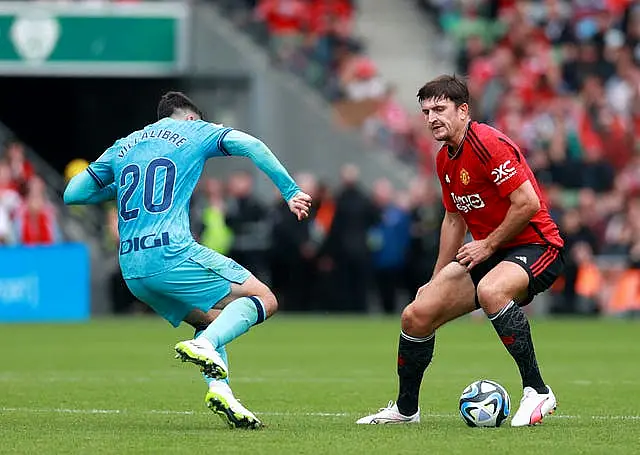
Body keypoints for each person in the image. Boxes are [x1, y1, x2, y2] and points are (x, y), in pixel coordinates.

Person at [64, 91, 312, 429]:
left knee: (209, 318)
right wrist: (290, 191)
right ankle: (206, 345)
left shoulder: (125, 144)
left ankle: (221, 391)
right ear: (191, 117)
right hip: (171, 253)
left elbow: (74, 193)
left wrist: (122, 186)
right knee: (264, 299)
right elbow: (253, 145)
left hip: (132, 267)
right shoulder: (196, 131)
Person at [356, 75, 565, 427]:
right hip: (490, 253)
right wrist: (436, 278)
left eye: (440, 109)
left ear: (463, 110)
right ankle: (406, 412)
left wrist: (487, 244)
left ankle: (538, 391)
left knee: (491, 291)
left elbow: (527, 203)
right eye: (425, 112)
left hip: (537, 246)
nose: (432, 118)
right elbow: (454, 221)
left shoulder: (487, 143)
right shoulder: (444, 160)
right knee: (416, 314)